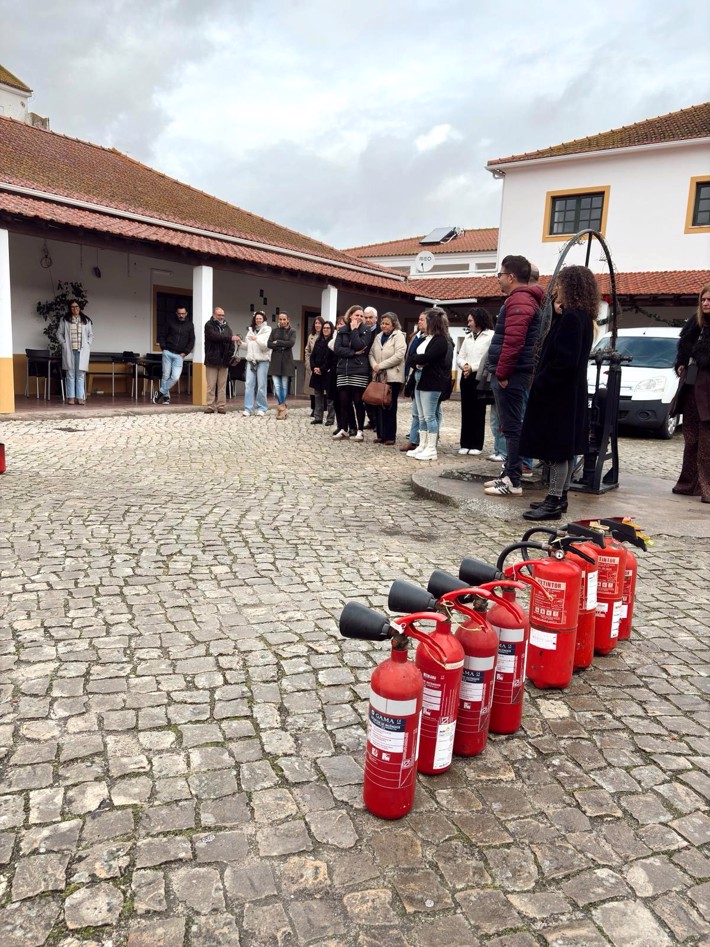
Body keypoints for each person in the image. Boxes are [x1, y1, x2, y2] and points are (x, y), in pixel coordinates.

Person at [519, 266, 597, 520]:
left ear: (571, 287)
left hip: (558, 393)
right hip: (567, 392)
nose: (558, 289)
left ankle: (554, 500)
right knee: (561, 448)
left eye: (561, 284)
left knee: (556, 449)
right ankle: (559, 497)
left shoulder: (574, 319)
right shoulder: (578, 317)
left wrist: (542, 382)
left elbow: (564, 360)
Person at [484, 255, 543, 496]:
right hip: (514, 373)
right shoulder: (522, 300)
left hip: (512, 374)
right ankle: (509, 472)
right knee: (509, 426)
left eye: (499, 274)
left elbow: (514, 341)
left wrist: (503, 372)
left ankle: (513, 481)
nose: (498, 279)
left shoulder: (520, 301)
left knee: (511, 427)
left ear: (511, 277)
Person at [671, 283, 710, 503]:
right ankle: (688, 484)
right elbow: (684, 349)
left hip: (708, 392)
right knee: (691, 439)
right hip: (691, 388)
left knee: (707, 444)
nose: (705, 303)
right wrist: (681, 363)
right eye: (703, 300)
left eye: (709, 300)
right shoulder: (694, 324)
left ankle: (707, 488)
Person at [407, 308, 452, 462]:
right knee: (421, 416)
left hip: (432, 380)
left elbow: (428, 357)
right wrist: (417, 359)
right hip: (420, 377)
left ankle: (431, 448)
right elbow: (413, 356)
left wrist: (417, 359)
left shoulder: (440, 340)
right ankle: (423, 444)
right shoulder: (427, 338)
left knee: (429, 416)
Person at [457, 308, 494, 455]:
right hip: (466, 377)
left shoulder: (490, 336)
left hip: (480, 377)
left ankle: (476, 444)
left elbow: (489, 359)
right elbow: (460, 355)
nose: (469, 323)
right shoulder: (468, 337)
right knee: (466, 410)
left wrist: (472, 367)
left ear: (479, 319)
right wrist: (464, 365)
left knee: (478, 411)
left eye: (471, 320)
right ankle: (465, 442)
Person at [368, 312, 406, 445]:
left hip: (392, 376)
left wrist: (381, 365)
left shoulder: (399, 336)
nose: (384, 326)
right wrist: (375, 366)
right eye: (382, 323)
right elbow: (371, 353)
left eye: (387, 324)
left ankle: (390, 436)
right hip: (379, 375)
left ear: (394, 324)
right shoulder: (378, 336)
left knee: (389, 405)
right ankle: (380, 434)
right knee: (379, 405)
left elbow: (399, 355)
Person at [153, 305, 195, 405]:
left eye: (183, 313)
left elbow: (191, 340)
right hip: (168, 352)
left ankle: (160, 392)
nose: (181, 315)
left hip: (179, 355)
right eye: (179, 313)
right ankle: (166, 397)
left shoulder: (189, 325)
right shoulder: (170, 322)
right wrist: (163, 348)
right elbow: (162, 335)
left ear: (186, 314)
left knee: (175, 377)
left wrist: (186, 352)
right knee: (166, 375)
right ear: (176, 313)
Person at [204, 307, 240, 415]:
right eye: (219, 315)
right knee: (211, 385)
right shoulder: (209, 325)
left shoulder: (227, 327)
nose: (221, 317)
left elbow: (232, 345)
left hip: (224, 361)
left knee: (222, 385)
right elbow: (215, 337)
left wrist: (229, 356)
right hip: (212, 359)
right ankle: (210, 406)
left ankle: (221, 406)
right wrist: (230, 338)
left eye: (223, 315)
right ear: (214, 314)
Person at [57, 299, 93, 405]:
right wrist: (63, 343)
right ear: (70, 308)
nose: (75, 309)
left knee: (80, 374)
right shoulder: (65, 320)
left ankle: (80, 397)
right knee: (70, 374)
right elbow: (59, 333)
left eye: (76, 307)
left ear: (79, 308)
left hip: (82, 350)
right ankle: (71, 397)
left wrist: (88, 343)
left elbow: (91, 334)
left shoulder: (86, 320)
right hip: (70, 350)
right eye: (72, 307)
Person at [400, 312, 427, 452]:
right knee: (416, 411)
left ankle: (422, 440)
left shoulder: (434, 339)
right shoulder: (415, 337)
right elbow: (410, 357)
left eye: (422, 320)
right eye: (419, 319)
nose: (419, 322)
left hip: (427, 378)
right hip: (413, 375)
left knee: (428, 413)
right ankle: (415, 437)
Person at [241, 311, 271, 417]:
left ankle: (262, 408)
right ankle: (248, 408)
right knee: (249, 385)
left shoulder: (267, 330)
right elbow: (247, 346)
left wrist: (256, 338)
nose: (258, 320)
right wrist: (240, 343)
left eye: (260, 318)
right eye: (256, 318)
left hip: (262, 361)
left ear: (263, 319)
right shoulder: (250, 330)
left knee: (261, 385)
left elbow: (266, 346)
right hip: (251, 360)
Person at [268, 312, 296, 419]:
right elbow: (269, 344)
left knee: (284, 386)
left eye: (284, 319)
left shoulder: (292, 331)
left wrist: (278, 342)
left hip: (286, 361)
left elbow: (291, 343)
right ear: (278, 320)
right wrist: (281, 344)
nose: (282, 321)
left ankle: (281, 409)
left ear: (288, 319)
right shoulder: (274, 331)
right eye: (280, 319)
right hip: (275, 361)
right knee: (277, 385)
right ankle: (283, 407)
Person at [310, 320, 335, 424]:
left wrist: (322, 369)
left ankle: (330, 419)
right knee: (317, 395)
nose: (325, 329)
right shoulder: (318, 340)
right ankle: (318, 417)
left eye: (328, 328)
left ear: (331, 329)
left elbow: (331, 359)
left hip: (327, 373)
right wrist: (314, 367)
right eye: (324, 328)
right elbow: (312, 356)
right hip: (317, 372)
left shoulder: (333, 341)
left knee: (329, 397)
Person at [362, 306, 379, 429]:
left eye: (370, 317)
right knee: (365, 396)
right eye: (366, 317)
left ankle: (377, 421)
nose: (368, 320)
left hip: (376, 368)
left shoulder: (379, 332)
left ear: (376, 319)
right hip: (362, 368)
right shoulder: (361, 331)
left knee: (376, 396)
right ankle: (372, 420)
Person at [304, 316, 323, 417]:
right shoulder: (311, 336)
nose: (317, 325)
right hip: (311, 365)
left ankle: (320, 409)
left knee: (321, 389)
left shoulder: (325, 335)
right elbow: (307, 351)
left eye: (319, 323)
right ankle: (313, 408)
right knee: (312, 389)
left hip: (322, 365)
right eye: (316, 323)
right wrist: (308, 364)